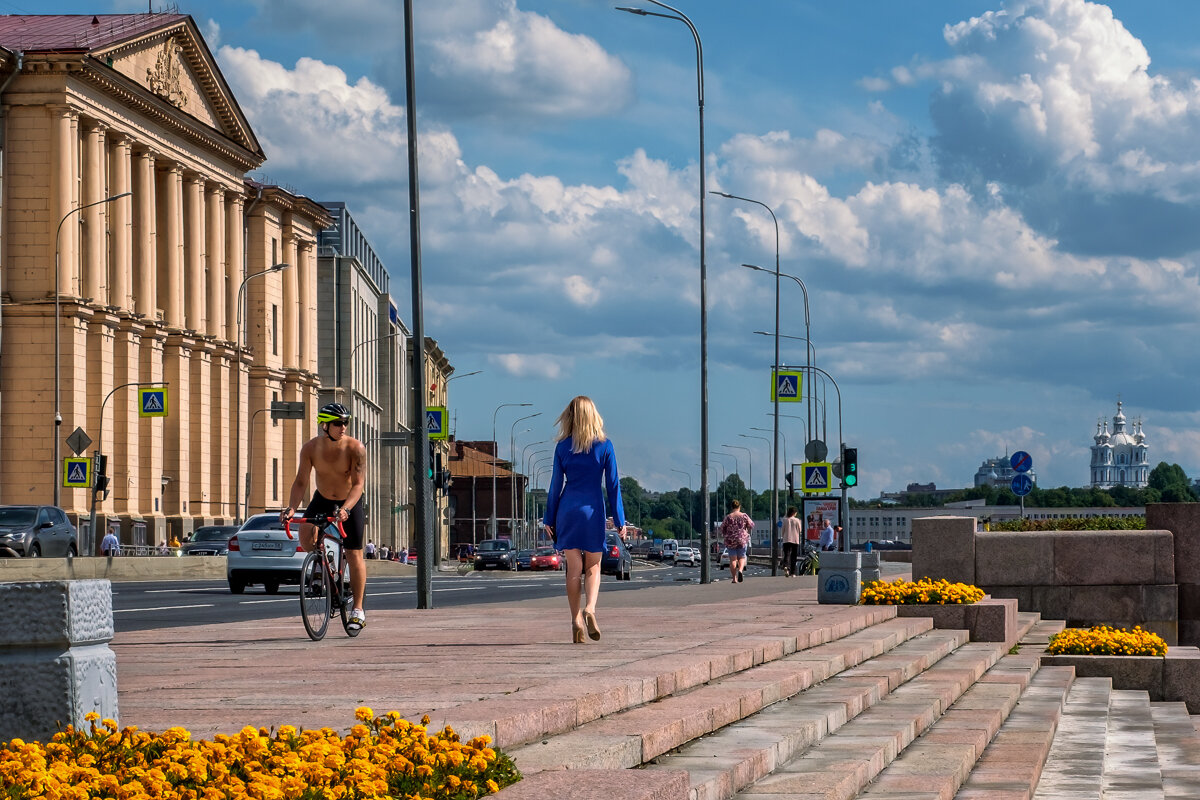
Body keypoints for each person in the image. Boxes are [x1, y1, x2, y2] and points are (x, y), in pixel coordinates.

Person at [543, 396, 626, 644]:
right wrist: (620, 520)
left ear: (570, 417)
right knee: (593, 566)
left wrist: (549, 517)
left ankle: (576, 620)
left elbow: (555, 485)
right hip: (593, 510)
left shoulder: (562, 447)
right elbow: (613, 486)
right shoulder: (605, 446)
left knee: (573, 569)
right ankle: (590, 608)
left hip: (567, 509)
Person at [281, 402, 368, 632]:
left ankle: (357, 609)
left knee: (353, 551)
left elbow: (359, 484)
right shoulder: (310, 448)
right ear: (324, 425)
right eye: (338, 423)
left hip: (350, 500)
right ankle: (323, 563)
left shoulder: (355, 448)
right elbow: (301, 481)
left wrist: (347, 509)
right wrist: (291, 508)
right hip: (323, 497)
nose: (343, 427)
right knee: (305, 534)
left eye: (345, 423)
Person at [720, 499, 754, 583]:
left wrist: (725, 534)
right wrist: (747, 532)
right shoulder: (744, 515)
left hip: (730, 540)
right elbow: (751, 525)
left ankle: (734, 578)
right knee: (742, 557)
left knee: (733, 560)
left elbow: (722, 527)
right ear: (739, 507)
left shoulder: (728, 517)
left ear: (732, 507)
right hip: (742, 539)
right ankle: (741, 570)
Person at [781, 506, 802, 576]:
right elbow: (800, 530)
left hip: (786, 539)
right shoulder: (797, 520)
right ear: (794, 513)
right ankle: (792, 573)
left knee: (787, 554)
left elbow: (782, 530)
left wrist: (783, 536)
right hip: (795, 540)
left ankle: (786, 566)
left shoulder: (785, 520)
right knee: (794, 556)